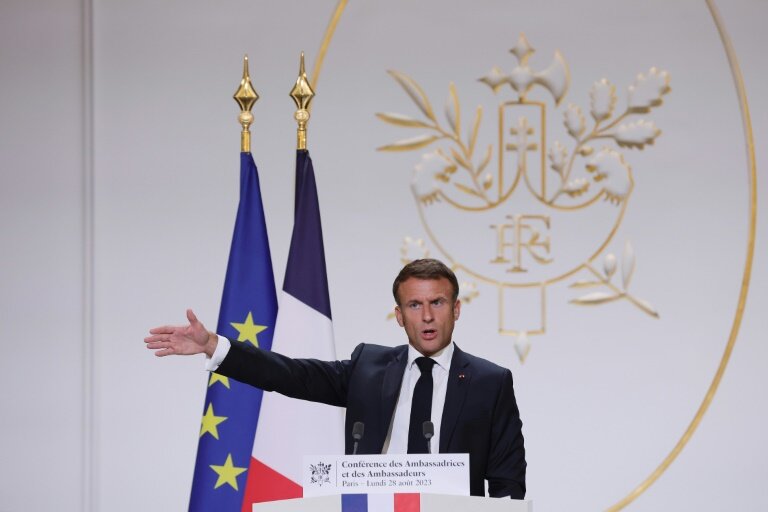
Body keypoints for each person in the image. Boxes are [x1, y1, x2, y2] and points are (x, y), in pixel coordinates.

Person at [145, 258, 526, 498]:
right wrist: (214, 345)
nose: (427, 316)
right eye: (415, 305)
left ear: (456, 309)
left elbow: (508, 482)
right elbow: (292, 375)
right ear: (399, 315)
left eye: (437, 303)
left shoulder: (489, 382)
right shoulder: (369, 368)